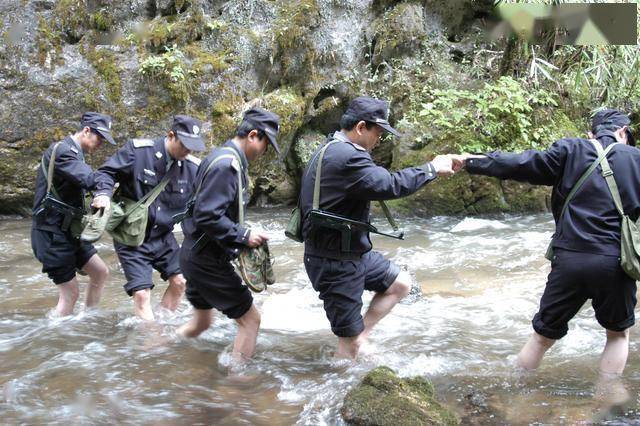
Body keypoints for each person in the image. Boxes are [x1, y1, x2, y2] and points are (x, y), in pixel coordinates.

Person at [457, 109, 638, 378]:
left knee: (542, 337)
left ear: (591, 134)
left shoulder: (570, 150)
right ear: (623, 132)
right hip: (615, 262)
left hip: (569, 262)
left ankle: (515, 391)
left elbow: (519, 164)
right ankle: (606, 403)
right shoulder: (636, 159)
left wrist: (469, 161)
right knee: (617, 335)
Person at [299, 96, 460, 359]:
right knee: (347, 347)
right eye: (379, 133)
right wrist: (431, 169)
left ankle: (359, 337)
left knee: (400, 283)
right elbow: (390, 185)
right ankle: (341, 384)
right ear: (361, 127)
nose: (379, 140)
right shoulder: (347, 157)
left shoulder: (331, 146)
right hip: (336, 262)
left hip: (349, 254)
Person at [177, 107, 279, 364]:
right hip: (205, 260)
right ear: (253, 135)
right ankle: (237, 384)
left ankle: (156, 349)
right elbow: (207, 215)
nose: (265, 151)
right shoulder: (227, 165)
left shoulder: (222, 157)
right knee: (251, 320)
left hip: (194, 254)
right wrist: (244, 235)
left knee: (201, 322)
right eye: (266, 144)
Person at [93, 115, 204, 320]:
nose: (188, 151)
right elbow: (105, 173)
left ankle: (161, 323)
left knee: (181, 281)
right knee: (142, 295)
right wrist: (102, 195)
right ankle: (151, 342)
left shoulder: (193, 169)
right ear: (171, 135)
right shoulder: (138, 152)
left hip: (163, 237)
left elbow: (196, 209)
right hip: (131, 237)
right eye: (185, 145)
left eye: (193, 147)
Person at [31, 112, 114, 316]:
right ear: (86, 130)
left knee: (100, 272)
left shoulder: (77, 153)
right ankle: (56, 337)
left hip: (72, 231)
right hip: (51, 233)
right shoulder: (63, 152)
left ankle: (88, 318)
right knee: (70, 292)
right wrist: (104, 191)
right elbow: (88, 179)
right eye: (99, 137)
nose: (101, 143)